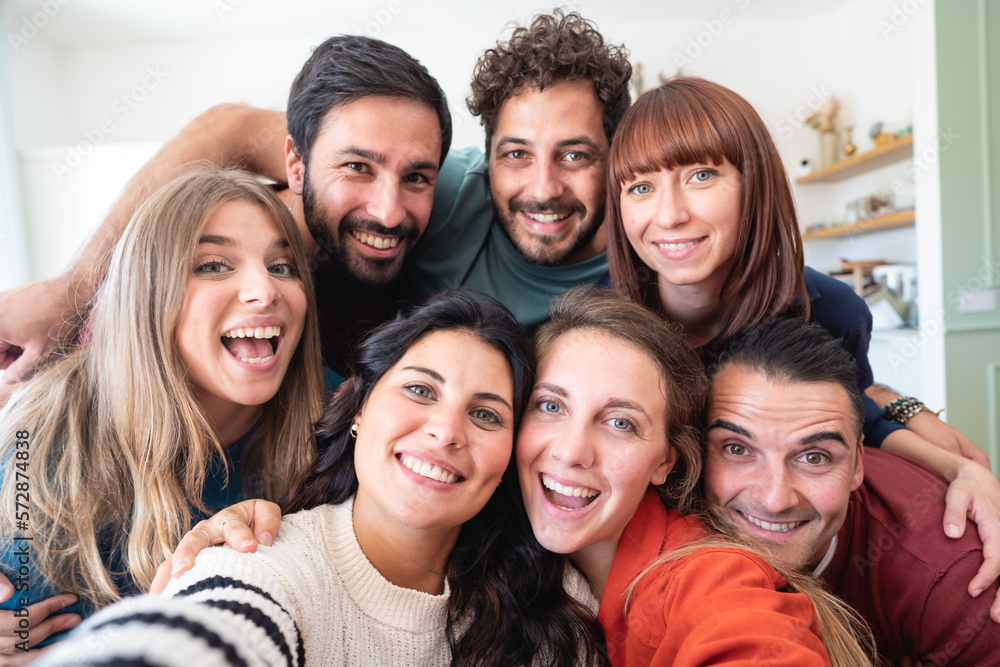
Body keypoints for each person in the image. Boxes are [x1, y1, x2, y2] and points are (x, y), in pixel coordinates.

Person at [165, 290, 872, 666]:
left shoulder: (701, 580)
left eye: (620, 422)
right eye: (551, 406)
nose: (570, 451)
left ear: (668, 459)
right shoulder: (506, 556)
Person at [0, 10, 629, 389]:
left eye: (576, 155)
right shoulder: (440, 186)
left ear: (616, 156)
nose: (543, 188)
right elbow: (231, 128)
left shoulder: (651, 253)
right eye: (516, 154)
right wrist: (71, 290)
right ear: (487, 156)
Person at [35, 290, 604, 667]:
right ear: (357, 410)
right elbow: (206, 634)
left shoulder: (555, 605)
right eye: (420, 390)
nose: (445, 432)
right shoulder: (259, 562)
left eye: (486, 414)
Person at [604, 75, 1000, 581]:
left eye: (702, 176)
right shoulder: (600, 319)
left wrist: (961, 469)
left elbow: (858, 419)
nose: (671, 214)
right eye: (641, 187)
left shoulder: (829, 308)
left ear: (754, 183)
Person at [0, 169, 325, 661]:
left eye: (282, 266)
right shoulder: (40, 439)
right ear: (146, 293)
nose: (265, 290)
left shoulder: (344, 420)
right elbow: (25, 634)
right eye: (214, 265)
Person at [0, 34, 451, 381]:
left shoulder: (418, 244)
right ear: (295, 164)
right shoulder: (164, 287)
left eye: (416, 178)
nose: (389, 213)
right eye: (358, 167)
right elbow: (230, 125)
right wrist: (75, 290)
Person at [702, 318, 1000, 664]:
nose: (775, 499)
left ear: (858, 464)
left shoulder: (952, 574)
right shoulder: (667, 507)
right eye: (737, 449)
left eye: (814, 457)